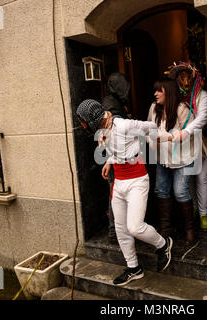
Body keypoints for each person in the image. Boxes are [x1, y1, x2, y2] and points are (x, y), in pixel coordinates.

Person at [76, 99, 173, 286]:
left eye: (83, 121)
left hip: (137, 180)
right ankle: (134, 268)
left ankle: (163, 244)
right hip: (119, 182)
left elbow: (151, 126)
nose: (83, 125)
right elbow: (119, 149)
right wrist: (109, 162)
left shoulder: (125, 125)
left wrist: (165, 136)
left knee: (135, 227)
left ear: (93, 118)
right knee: (121, 229)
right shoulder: (104, 129)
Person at [147, 79, 197, 245]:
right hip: (163, 158)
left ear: (168, 91)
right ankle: (166, 229)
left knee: (180, 191)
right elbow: (147, 129)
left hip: (183, 158)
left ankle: (190, 230)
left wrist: (168, 137)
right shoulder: (154, 109)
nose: (155, 94)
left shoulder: (182, 109)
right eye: (155, 91)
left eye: (159, 90)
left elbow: (190, 133)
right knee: (161, 190)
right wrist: (152, 141)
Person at [166, 61, 207, 233]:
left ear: (194, 78)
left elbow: (202, 118)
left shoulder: (202, 95)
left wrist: (185, 132)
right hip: (182, 146)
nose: (185, 82)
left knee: (202, 178)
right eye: (181, 78)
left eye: (187, 77)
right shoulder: (176, 98)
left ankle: (203, 214)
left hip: (200, 143)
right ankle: (192, 210)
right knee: (188, 180)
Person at [101, 72, 131, 242]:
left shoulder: (114, 102)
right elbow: (112, 134)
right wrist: (110, 161)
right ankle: (114, 232)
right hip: (113, 157)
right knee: (115, 193)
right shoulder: (111, 105)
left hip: (113, 156)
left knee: (115, 193)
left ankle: (115, 231)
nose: (126, 90)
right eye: (123, 86)